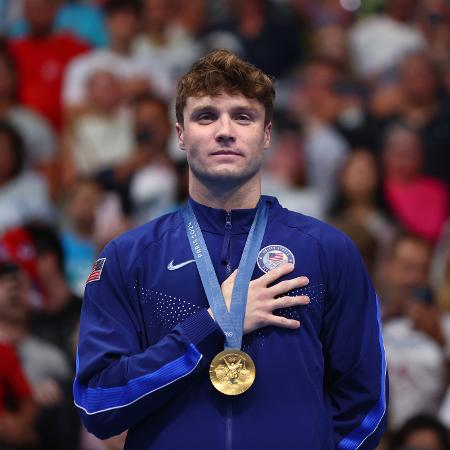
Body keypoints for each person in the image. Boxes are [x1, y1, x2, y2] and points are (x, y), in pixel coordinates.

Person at [74, 49, 387, 450]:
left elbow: (367, 407)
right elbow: (98, 403)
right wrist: (211, 323)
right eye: (206, 116)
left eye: (243, 116)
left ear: (267, 134)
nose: (225, 130)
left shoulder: (328, 251)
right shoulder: (128, 257)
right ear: (181, 135)